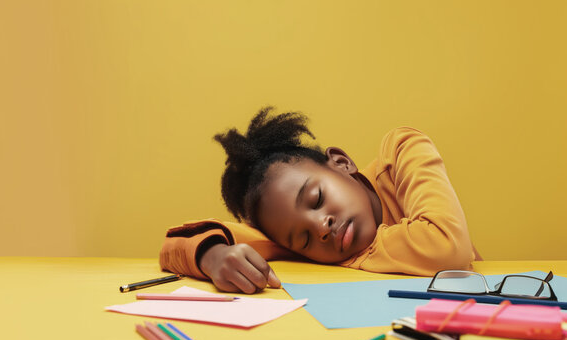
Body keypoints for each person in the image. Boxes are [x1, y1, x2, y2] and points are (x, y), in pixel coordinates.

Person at [159, 107, 482, 294]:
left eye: (316, 198)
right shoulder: (311, 244)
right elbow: (174, 246)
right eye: (302, 238)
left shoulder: (400, 152)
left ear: (341, 163)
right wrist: (212, 257)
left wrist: (349, 258)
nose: (321, 227)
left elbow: (446, 248)